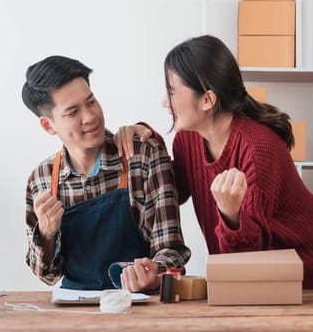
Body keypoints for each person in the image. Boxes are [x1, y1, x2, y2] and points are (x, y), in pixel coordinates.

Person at [115, 35, 313, 289]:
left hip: (310, 276)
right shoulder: (187, 139)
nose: (164, 102)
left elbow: (247, 259)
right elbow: (171, 190)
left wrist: (232, 215)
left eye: (171, 91)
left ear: (208, 100)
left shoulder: (257, 149)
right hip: (265, 280)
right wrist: (147, 139)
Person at [21, 55, 190, 292]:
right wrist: (46, 234)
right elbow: (47, 276)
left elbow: (173, 251)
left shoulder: (142, 157)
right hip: (75, 313)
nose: (90, 117)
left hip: (138, 309)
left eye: (91, 102)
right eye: (72, 112)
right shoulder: (41, 180)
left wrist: (154, 273)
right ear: (49, 125)